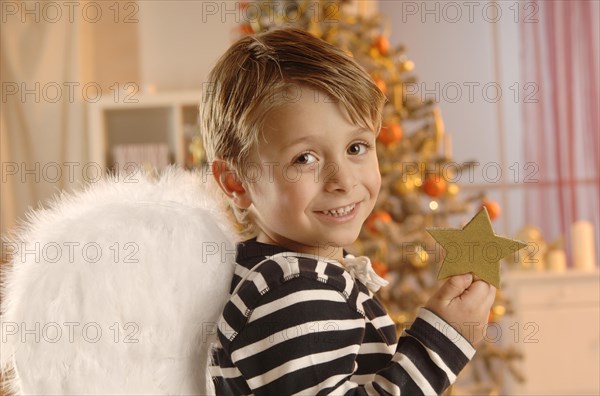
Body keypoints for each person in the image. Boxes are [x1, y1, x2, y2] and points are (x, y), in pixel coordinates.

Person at [201, 27, 495, 395]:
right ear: (237, 183)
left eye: (356, 147)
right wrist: (441, 343)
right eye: (304, 158)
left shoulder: (296, 278)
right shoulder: (294, 293)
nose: (342, 180)